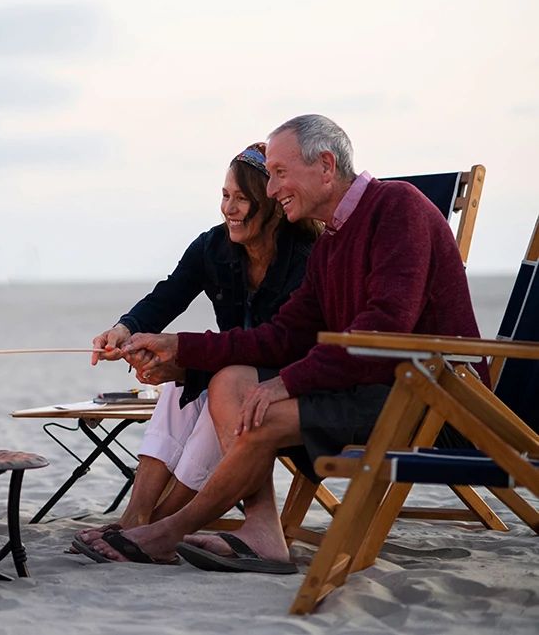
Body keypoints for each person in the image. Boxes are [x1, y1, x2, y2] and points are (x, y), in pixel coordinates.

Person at [82, 114, 485, 570]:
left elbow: (382, 330)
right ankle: (262, 532)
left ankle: (168, 530)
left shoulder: (397, 207)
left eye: (278, 174)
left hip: (431, 398)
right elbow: (283, 335)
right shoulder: (331, 243)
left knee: (262, 407)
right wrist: (182, 348)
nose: (271, 191)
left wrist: (286, 382)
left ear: (326, 165)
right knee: (232, 381)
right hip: (369, 388)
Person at [77, 143, 319, 554]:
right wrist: (125, 329)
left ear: (273, 206)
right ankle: (137, 518)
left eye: (243, 199)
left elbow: (283, 345)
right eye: (225, 196)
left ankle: (159, 528)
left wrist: (188, 358)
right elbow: (168, 296)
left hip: (288, 382)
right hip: (235, 370)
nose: (230, 208)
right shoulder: (214, 247)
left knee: (220, 388)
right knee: (176, 389)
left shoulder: (305, 257)